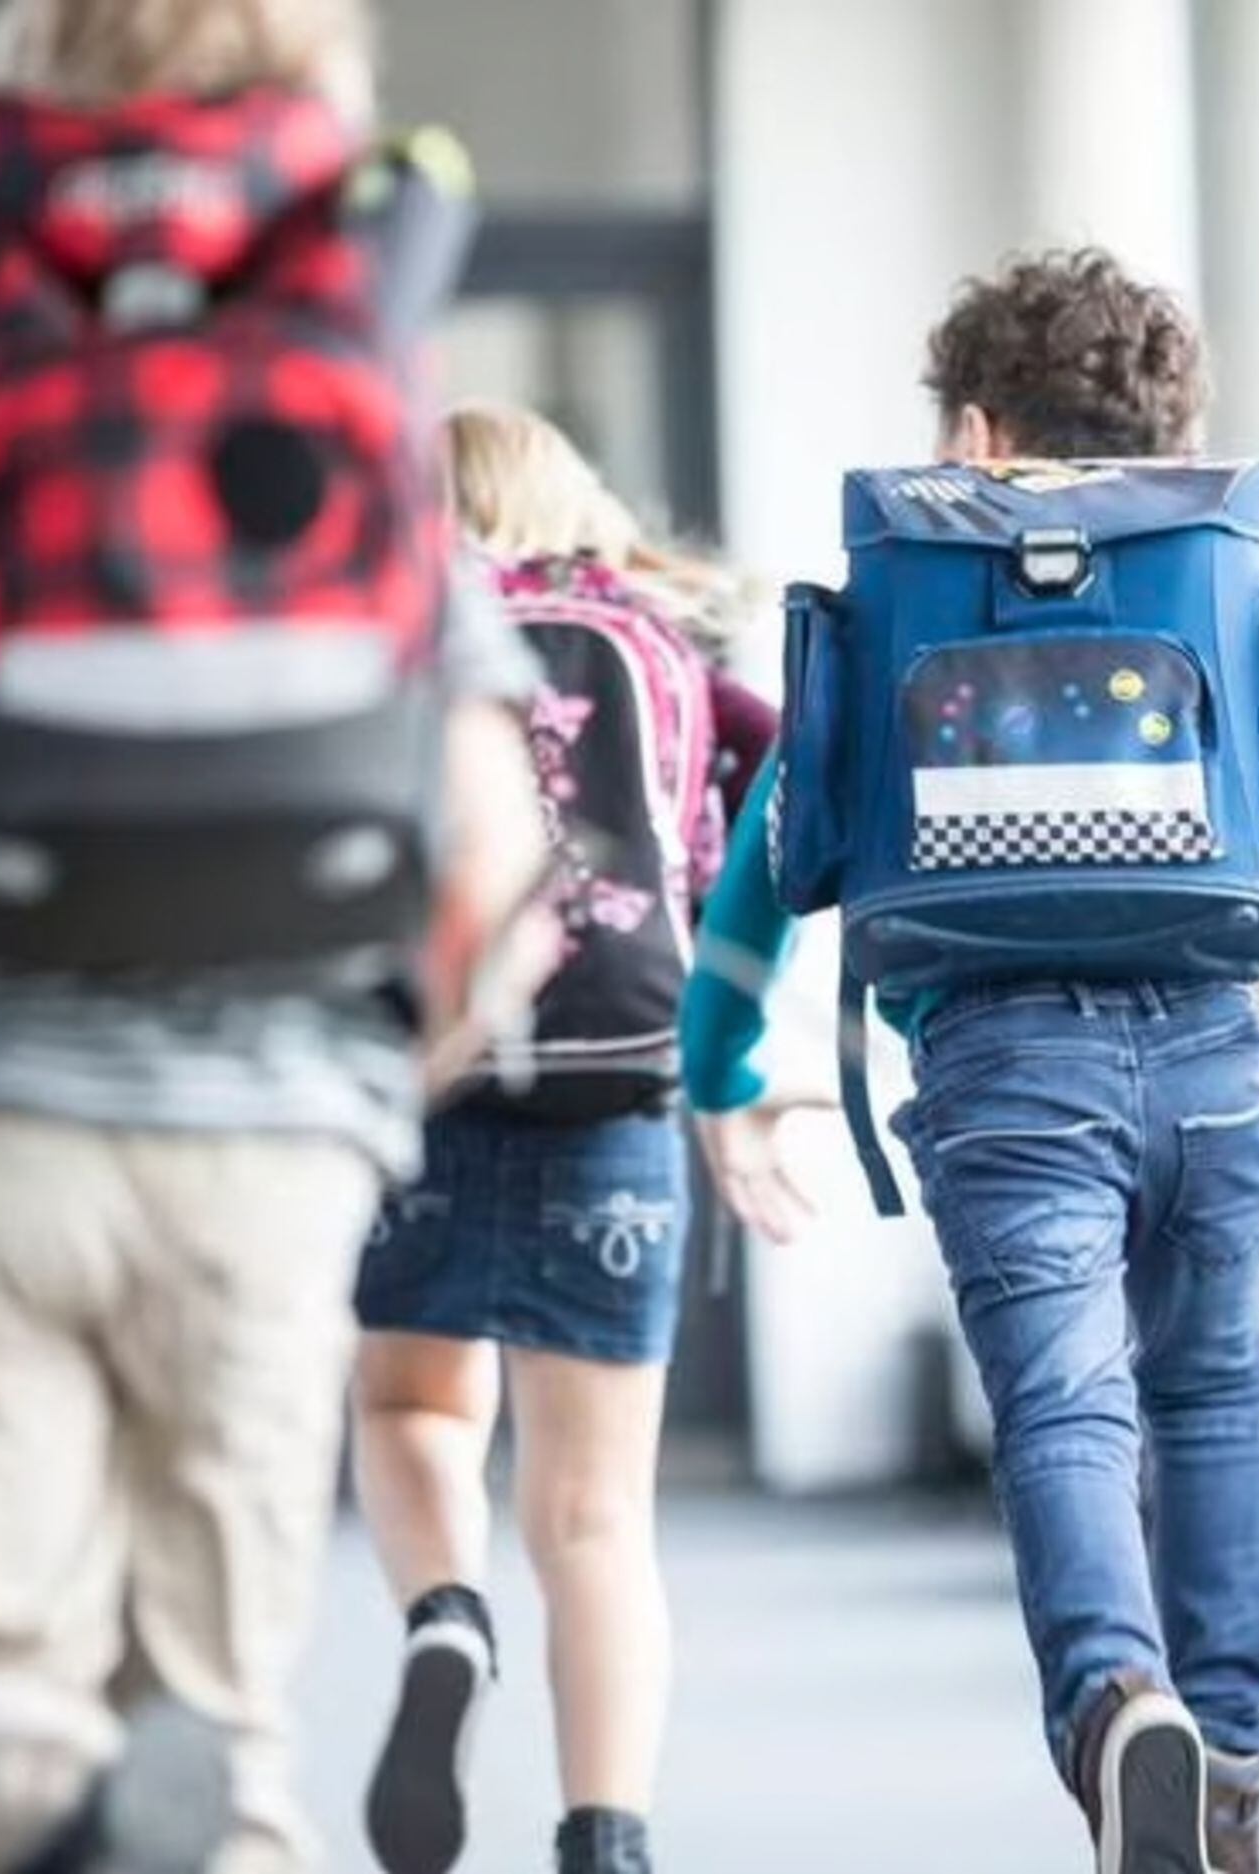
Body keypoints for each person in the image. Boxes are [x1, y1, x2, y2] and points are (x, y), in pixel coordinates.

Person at [0, 4, 555, 1872]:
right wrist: (370, 1088)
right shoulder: (352, 400)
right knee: (208, 1716)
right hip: (267, 1168)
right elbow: (502, 867)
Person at [681, 248, 1259, 1874]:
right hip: (1209, 1053)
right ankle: (1233, 1750)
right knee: (1214, 1384)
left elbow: (765, 863)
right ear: (1174, 437)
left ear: (975, 436)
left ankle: (1119, 1702)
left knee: (1066, 1405)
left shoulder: (900, 598)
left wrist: (716, 1074)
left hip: (996, 1066)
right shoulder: (1214, 580)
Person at [353, 405, 774, 1874]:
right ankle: (607, 1839)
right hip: (616, 1085)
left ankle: (444, 1617)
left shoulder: (396, 630)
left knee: (412, 1409)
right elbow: (730, 845)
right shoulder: (658, 644)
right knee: (596, 1515)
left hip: (424, 1078)